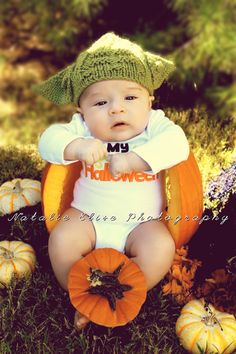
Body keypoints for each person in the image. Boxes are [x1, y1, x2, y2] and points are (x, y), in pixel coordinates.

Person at [35, 32, 189, 330]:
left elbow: (178, 144)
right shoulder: (82, 129)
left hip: (140, 222)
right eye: (101, 102)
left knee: (160, 247)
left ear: (149, 101)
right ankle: (80, 294)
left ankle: (126, 294)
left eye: (130, 97)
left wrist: (135, 160)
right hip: (88, 218)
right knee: (63, 240)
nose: (116, 108)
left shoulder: (155, 126)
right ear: (81, 110)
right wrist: (76, 147)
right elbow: (48, 140)